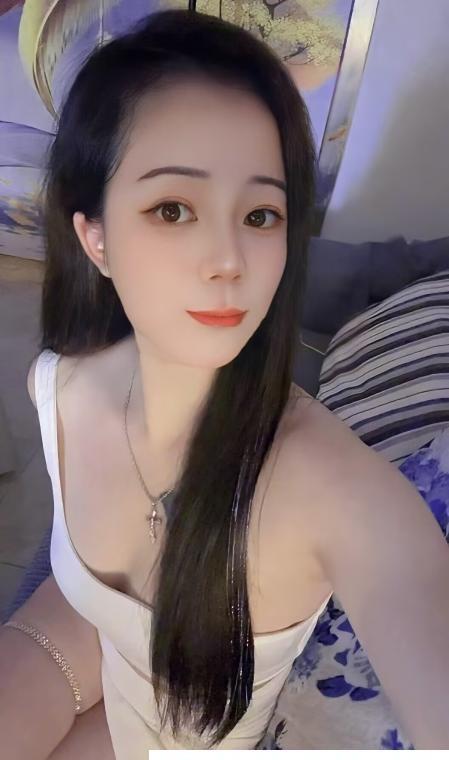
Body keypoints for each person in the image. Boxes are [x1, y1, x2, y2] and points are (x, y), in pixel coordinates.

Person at [1, 7, 448, 757]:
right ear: (95, 238)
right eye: (173, 209)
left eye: (261, 214)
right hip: (83, 654)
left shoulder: (338, 492)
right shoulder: (60, 389)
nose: (228, 260)